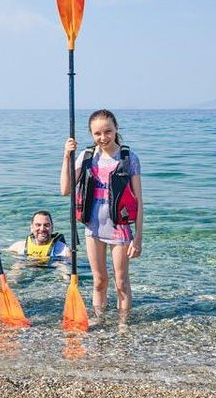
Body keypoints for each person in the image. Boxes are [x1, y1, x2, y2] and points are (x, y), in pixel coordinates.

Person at [60, 109, 144, 329]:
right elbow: (65, 189)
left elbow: (139, 202)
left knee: (121, 282)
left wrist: (138, 239)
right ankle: (100, 319)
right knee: (99, 281)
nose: (103, 137)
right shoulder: (87, 156)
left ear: (116, 129)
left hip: (119, 229)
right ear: (91, 134)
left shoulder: (129, 159)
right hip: (93, 227)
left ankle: (123, 323)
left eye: (108, 131)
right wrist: (67, 156)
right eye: (97, 133)